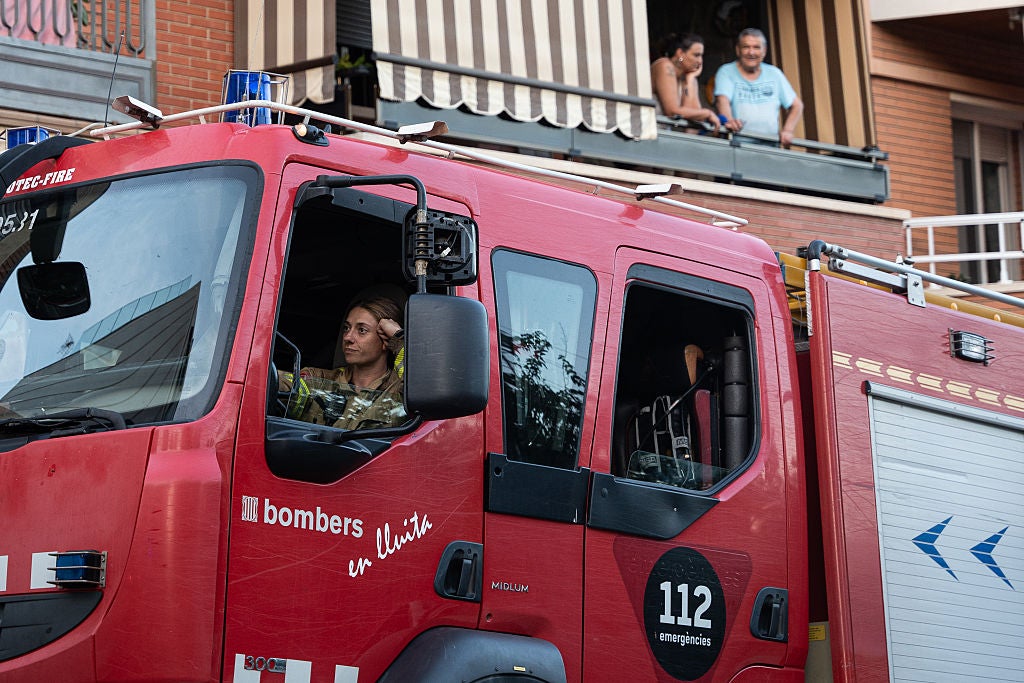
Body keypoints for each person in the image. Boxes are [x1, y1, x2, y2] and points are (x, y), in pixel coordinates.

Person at [281, 295, 407, 431]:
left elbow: (421, 382)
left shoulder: (402, 390)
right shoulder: (319, 380)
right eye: (346, 328)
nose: (348, 337)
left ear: (386, 340)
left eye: (362, 330)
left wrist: (399, 338)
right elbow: (280, 384)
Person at [713, 28, 803, 147]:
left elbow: (797, 105)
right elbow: (722, 101)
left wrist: (788, 130)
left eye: (756, 47)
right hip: (739, 145)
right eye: (746, 47)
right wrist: (730, 120)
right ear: (738, 50)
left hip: (771, 145)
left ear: (764, 51)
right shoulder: (726, 71)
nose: (751, 52)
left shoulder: (774, 73)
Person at [650, 33, 721, 133]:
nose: (700, 61)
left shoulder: (689, 77)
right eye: (696, 55)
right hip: (646, 132)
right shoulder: (665, 66)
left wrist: (689, 81)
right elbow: (672, 112)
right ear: (680, 54)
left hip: (664, 136)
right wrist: (708, 113)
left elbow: (693, 125)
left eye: (701, 56)